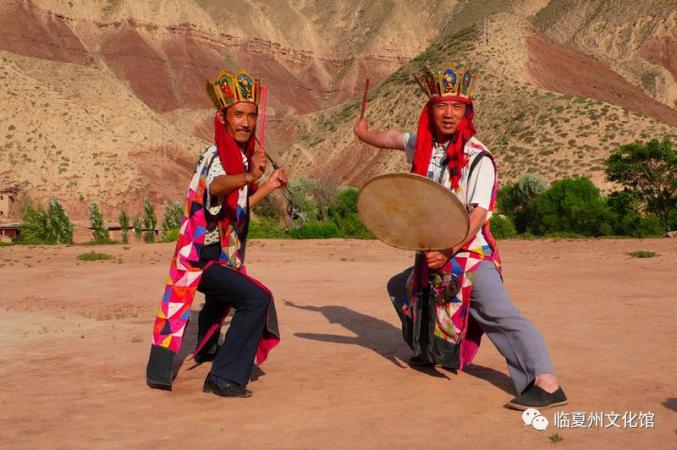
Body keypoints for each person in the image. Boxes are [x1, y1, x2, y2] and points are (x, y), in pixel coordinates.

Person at [352, 66, 567, 410]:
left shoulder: (478, 157)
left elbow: (477, 215)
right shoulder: (423, 146)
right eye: (442, 106)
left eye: (457, 107)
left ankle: (546, 381)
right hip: (433, 251)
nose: (449, 114)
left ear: (467, 112)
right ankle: (428, 348)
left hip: (469, 253)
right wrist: (364, 135)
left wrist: (449, 250)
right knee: (402, 287)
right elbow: (392, 138)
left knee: (498, 314)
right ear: (430, 110)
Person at [146, 68, 286, 398]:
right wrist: (251, 174)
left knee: (227, 296)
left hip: (217, 256)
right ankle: (223, 377)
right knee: (257, 299)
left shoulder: (236, 156)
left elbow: (235, 205)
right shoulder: (216, 156)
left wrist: (267, 185)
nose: (246, 122)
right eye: (238, 114)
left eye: (252, 115)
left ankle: (209, 350)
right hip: (201, 258)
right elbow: (217, 186)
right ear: (222, 116)